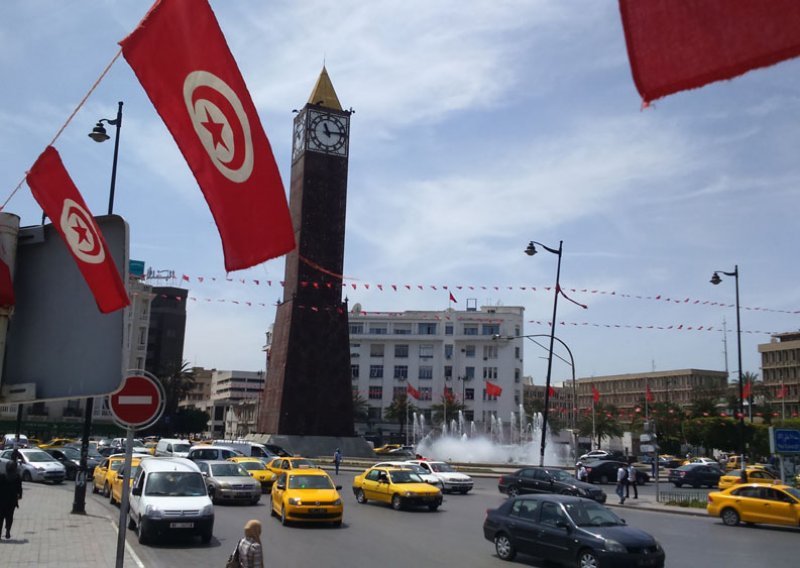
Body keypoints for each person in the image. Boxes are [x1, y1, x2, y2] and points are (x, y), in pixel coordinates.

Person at [0, 461, 23, 539]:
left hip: (2, 500)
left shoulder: (2, 476)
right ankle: (8, 530)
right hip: (12, 500)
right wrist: (20, 496)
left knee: (1, 517)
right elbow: (19, 489)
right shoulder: (17, 477)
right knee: (9, 516)